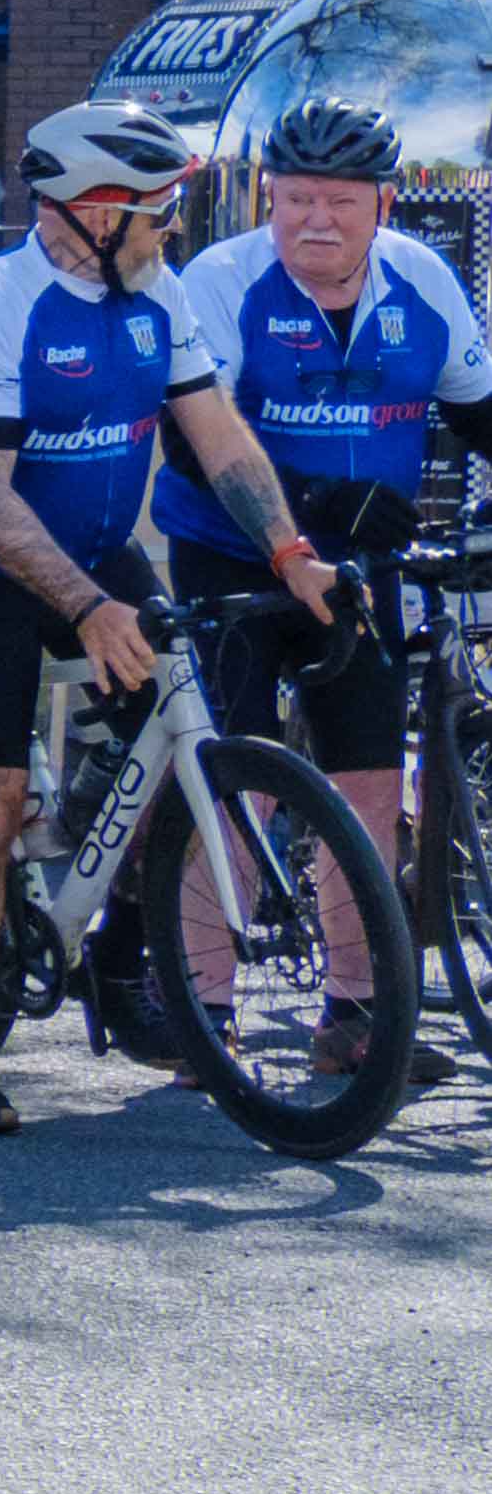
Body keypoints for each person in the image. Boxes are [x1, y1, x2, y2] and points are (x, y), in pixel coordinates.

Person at [0, 96, 342, 1135]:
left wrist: (285, 547)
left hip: (92, 547)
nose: (168, 227)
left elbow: (216, 436)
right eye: (153, 209)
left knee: (185, 739)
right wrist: (85, 611)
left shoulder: (154, 292)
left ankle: (121, 960)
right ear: (90, 209)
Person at [154, 95, 492, 1090]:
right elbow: (192, 436)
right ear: (266, 194)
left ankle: (351, 1013)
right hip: (231, 558)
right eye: (291, 196)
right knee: (238, 779)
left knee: (367, 787)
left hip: (360, 573)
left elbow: (478, 416)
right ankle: (200, 1009)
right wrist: (316, 500)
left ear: (381, 202)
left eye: (337, 200)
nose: (312, 218)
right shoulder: (219, 281)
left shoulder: (423, 281)